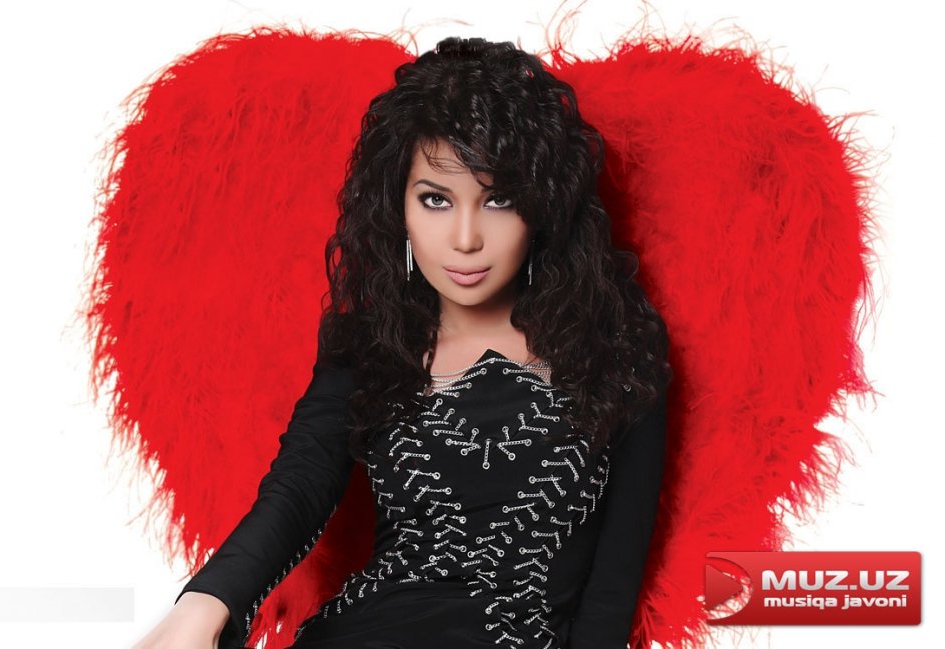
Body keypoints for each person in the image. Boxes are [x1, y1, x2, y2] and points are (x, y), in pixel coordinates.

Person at [132, 36, 672, 649]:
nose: (465, 238)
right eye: (436, 200)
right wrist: (204, 603)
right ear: (400, 208)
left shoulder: (618, 349)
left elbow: (611, 592)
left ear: (543, 206)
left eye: (498, 199)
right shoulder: (371, 344)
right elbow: (297, 489)